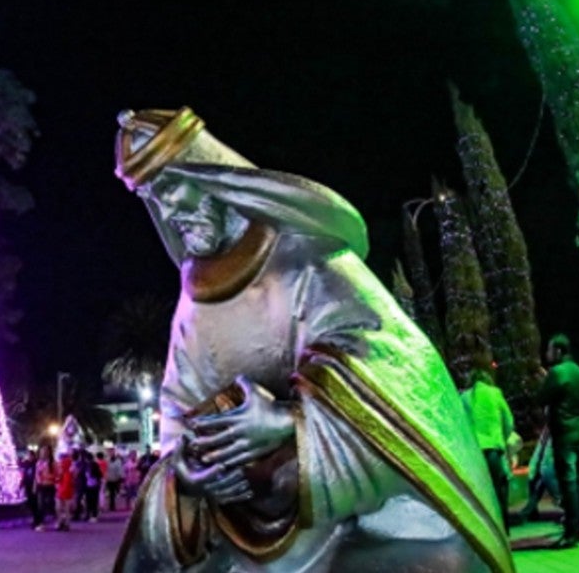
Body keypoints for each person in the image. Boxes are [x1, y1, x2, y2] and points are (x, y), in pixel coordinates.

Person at [111, 107, 512, 572]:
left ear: (208, 173)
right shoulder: (195, 299)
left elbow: (393, 368)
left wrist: (285, 422)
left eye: (170, 187)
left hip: (359, 513)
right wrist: (190, 473)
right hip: (256, 519)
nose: (166, 210)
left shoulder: (307, 258)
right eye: (149, 198)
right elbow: (179, 411)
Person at [536, 333, 579, 549]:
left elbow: (541, 398)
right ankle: (578, 532)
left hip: (564, 435)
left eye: (549, 349)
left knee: (568, 484)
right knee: (578, 482)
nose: (547, 353)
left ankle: (570, 533)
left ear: (558, 351)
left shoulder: (557, 372)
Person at [460, 367, 516, 532]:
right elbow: (508, 421)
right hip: (493, 449)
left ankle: (485, 531)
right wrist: (502, 440)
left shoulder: (464, 397)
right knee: (499, 489)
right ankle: (504, 529)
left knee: (480, 493)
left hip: (474, 453)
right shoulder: (495, 393)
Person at [516, 426, 560, 524]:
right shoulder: (547, 431)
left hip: (549, 465)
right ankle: (528, 513)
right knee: (536, 486)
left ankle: (527, 513)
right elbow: (541, 449)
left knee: (539, 486)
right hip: (543, 464)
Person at [104, 446, 124, 512]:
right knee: (111, 493)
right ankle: (112, 506)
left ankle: (115, 505)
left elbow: (120, 469)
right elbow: (105, 470)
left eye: (112, 451)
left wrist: (121, 477)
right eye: (109, 452)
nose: (111, 453)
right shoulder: (106, 460)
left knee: (117, 492)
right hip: (109, 479)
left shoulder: (118, 461)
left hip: (116, 479)